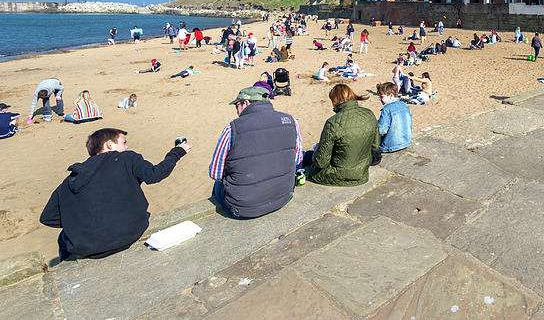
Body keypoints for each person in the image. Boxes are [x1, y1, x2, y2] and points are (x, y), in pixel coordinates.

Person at [40, 128, 192, 261]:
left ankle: (64, 265)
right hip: (130, 233)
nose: (127, 147)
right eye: (124, 143)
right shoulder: (127, 158)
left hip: (88, 247)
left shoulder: (71, 179)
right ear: (109, 145)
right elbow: (155, 174)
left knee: (63, 237)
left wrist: (80, 221)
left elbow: (48, 218)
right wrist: (177, 152)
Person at [210, 86, 302, 218]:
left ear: (246, 103)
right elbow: (297, 159)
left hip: (244, 209)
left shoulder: (232, 128)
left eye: (237, 105)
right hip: (284, 197)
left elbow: (215, 173)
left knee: (218, 186)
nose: (236, 111)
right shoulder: (291, 121)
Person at [307, 84, 379, 186]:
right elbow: (375, 145)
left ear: (335, 101)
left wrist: (317, 151)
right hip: (362, 172)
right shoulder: (369, 114)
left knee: (308, 157)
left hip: (338, 174)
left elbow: (321, 162)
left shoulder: (333, 123)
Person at [376, 82, 412, 153]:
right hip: (406, 141)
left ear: (391, 96)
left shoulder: (387, 109)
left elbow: (382, 130)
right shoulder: (404, 104)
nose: (380, 99)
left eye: (382, 96)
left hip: (391, 146)